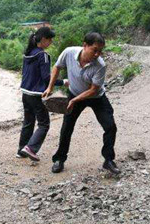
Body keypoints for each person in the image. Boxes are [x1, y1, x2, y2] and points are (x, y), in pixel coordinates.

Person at [43, 32, 120, 175]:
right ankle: (59, 159)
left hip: (96, 98)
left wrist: (74, 100)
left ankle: (108, 160)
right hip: (74, 93)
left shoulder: (100, 65)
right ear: (85, 45)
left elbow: (93, 90)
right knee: (67, 127)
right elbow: (57, 67)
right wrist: (50, 87)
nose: (97, 54)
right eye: (95, 50)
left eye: (100, 51)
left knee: (110, 126)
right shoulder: (69, 53)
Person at [17, 26, 63, 161]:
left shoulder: (28, 53)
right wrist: (63, 82)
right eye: (50, 40)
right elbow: (47, 78)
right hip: (37, 94)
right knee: (44, 123)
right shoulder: (42, 55)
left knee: (28, 121)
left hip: (25, 92)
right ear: (43, 39)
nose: (51, 42)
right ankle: (30, 148)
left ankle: (21, 150)